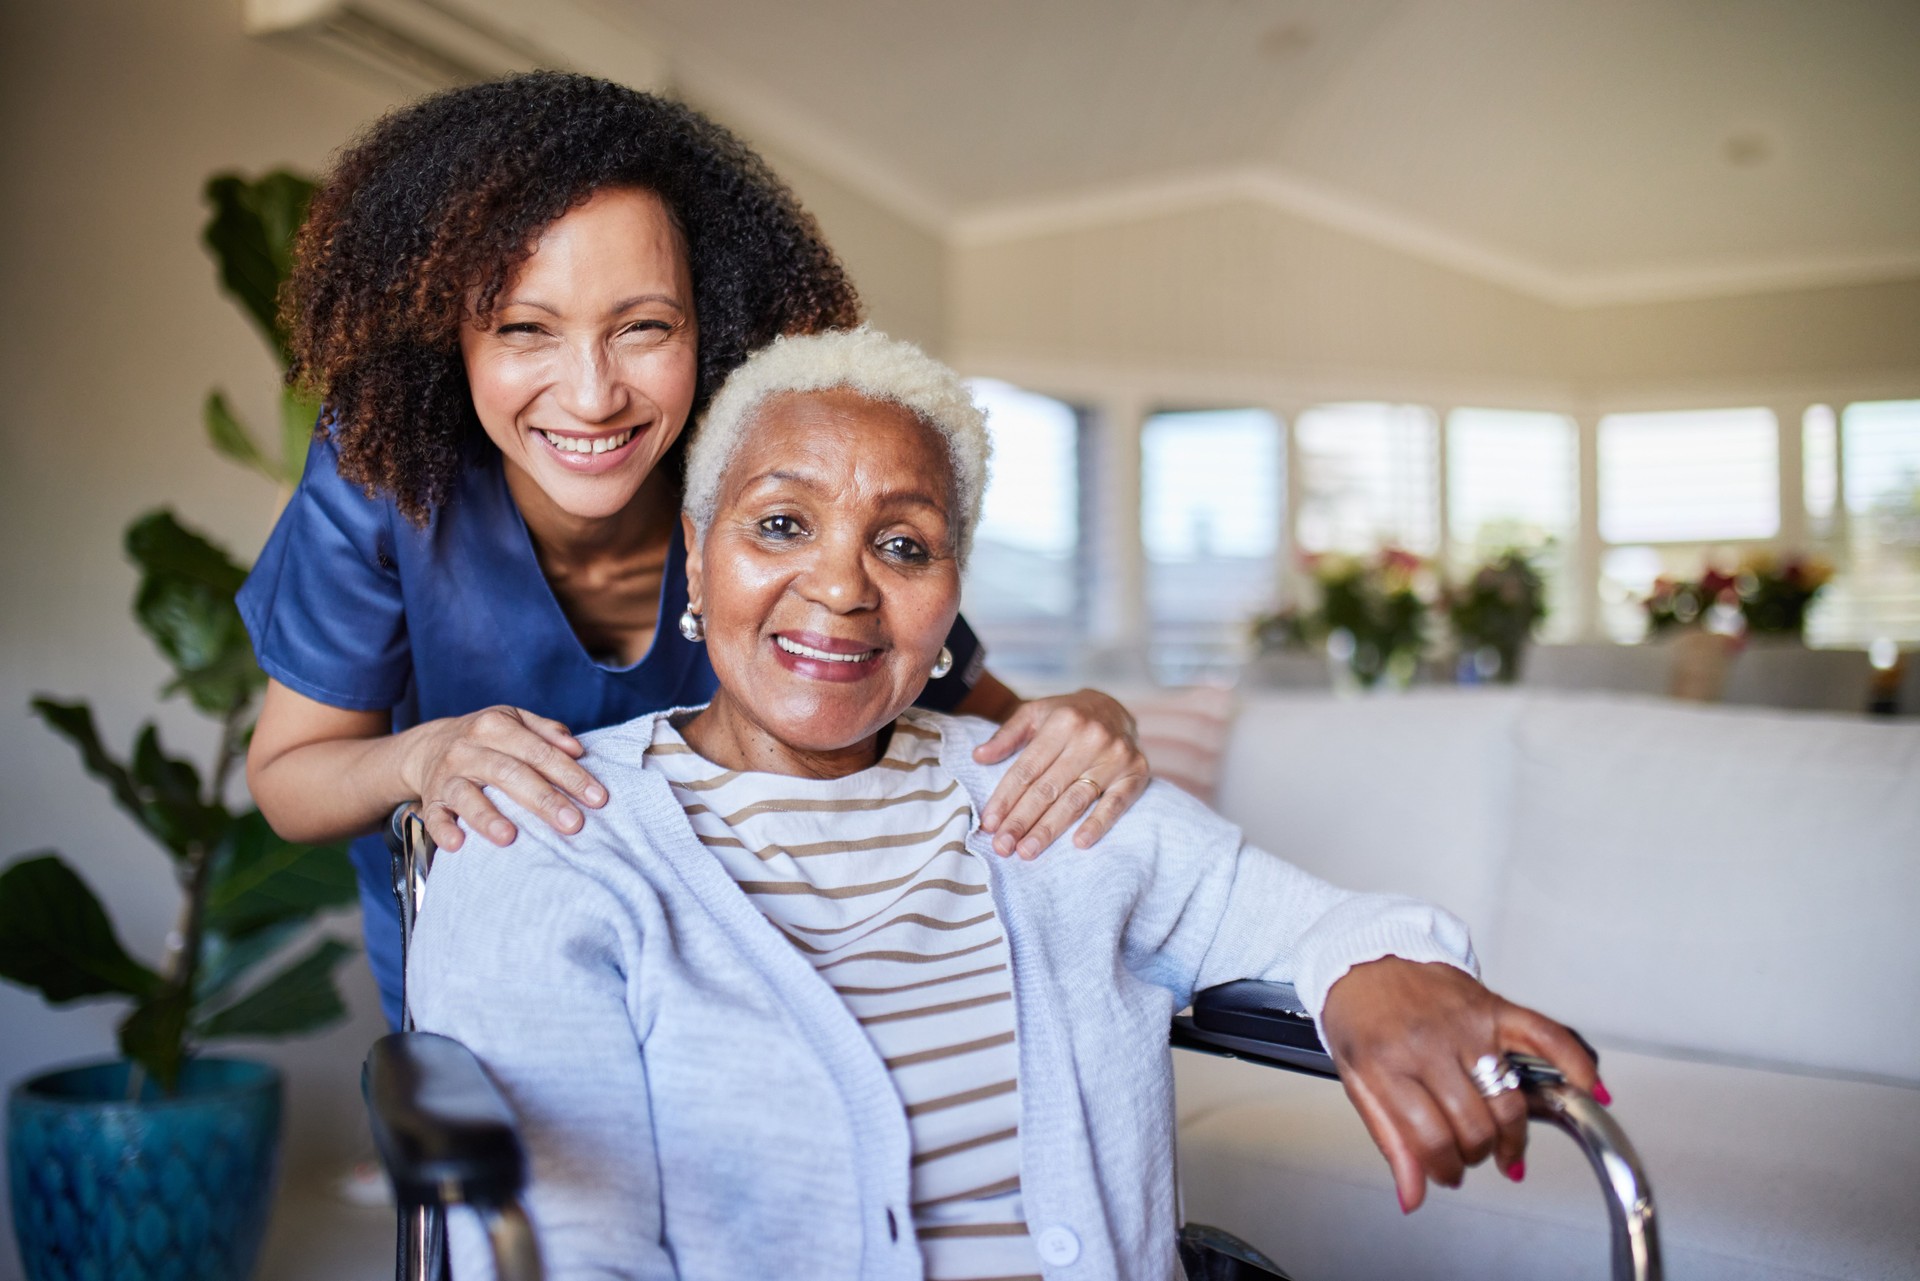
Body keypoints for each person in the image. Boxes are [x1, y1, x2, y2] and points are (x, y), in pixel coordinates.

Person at [409, 329, 1601, 1281]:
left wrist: (1378, 968)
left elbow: (1291, 915)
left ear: (950, 601)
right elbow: (563, 1249)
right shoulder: (549, 825)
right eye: (780, 524)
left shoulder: (1039, 784)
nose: (839, 586)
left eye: (904, 546)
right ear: (697, 550)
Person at [238, 73, 1150, 1030]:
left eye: (644, 327)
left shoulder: (774, 484)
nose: (592, 396)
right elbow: (291, 777)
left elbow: (989, 718)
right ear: (448, 339)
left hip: (736, 978)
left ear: (709, 323)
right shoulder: (383, 477)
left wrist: (1089, 718)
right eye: (523, 329)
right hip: (477, 979)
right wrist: (426, 755)